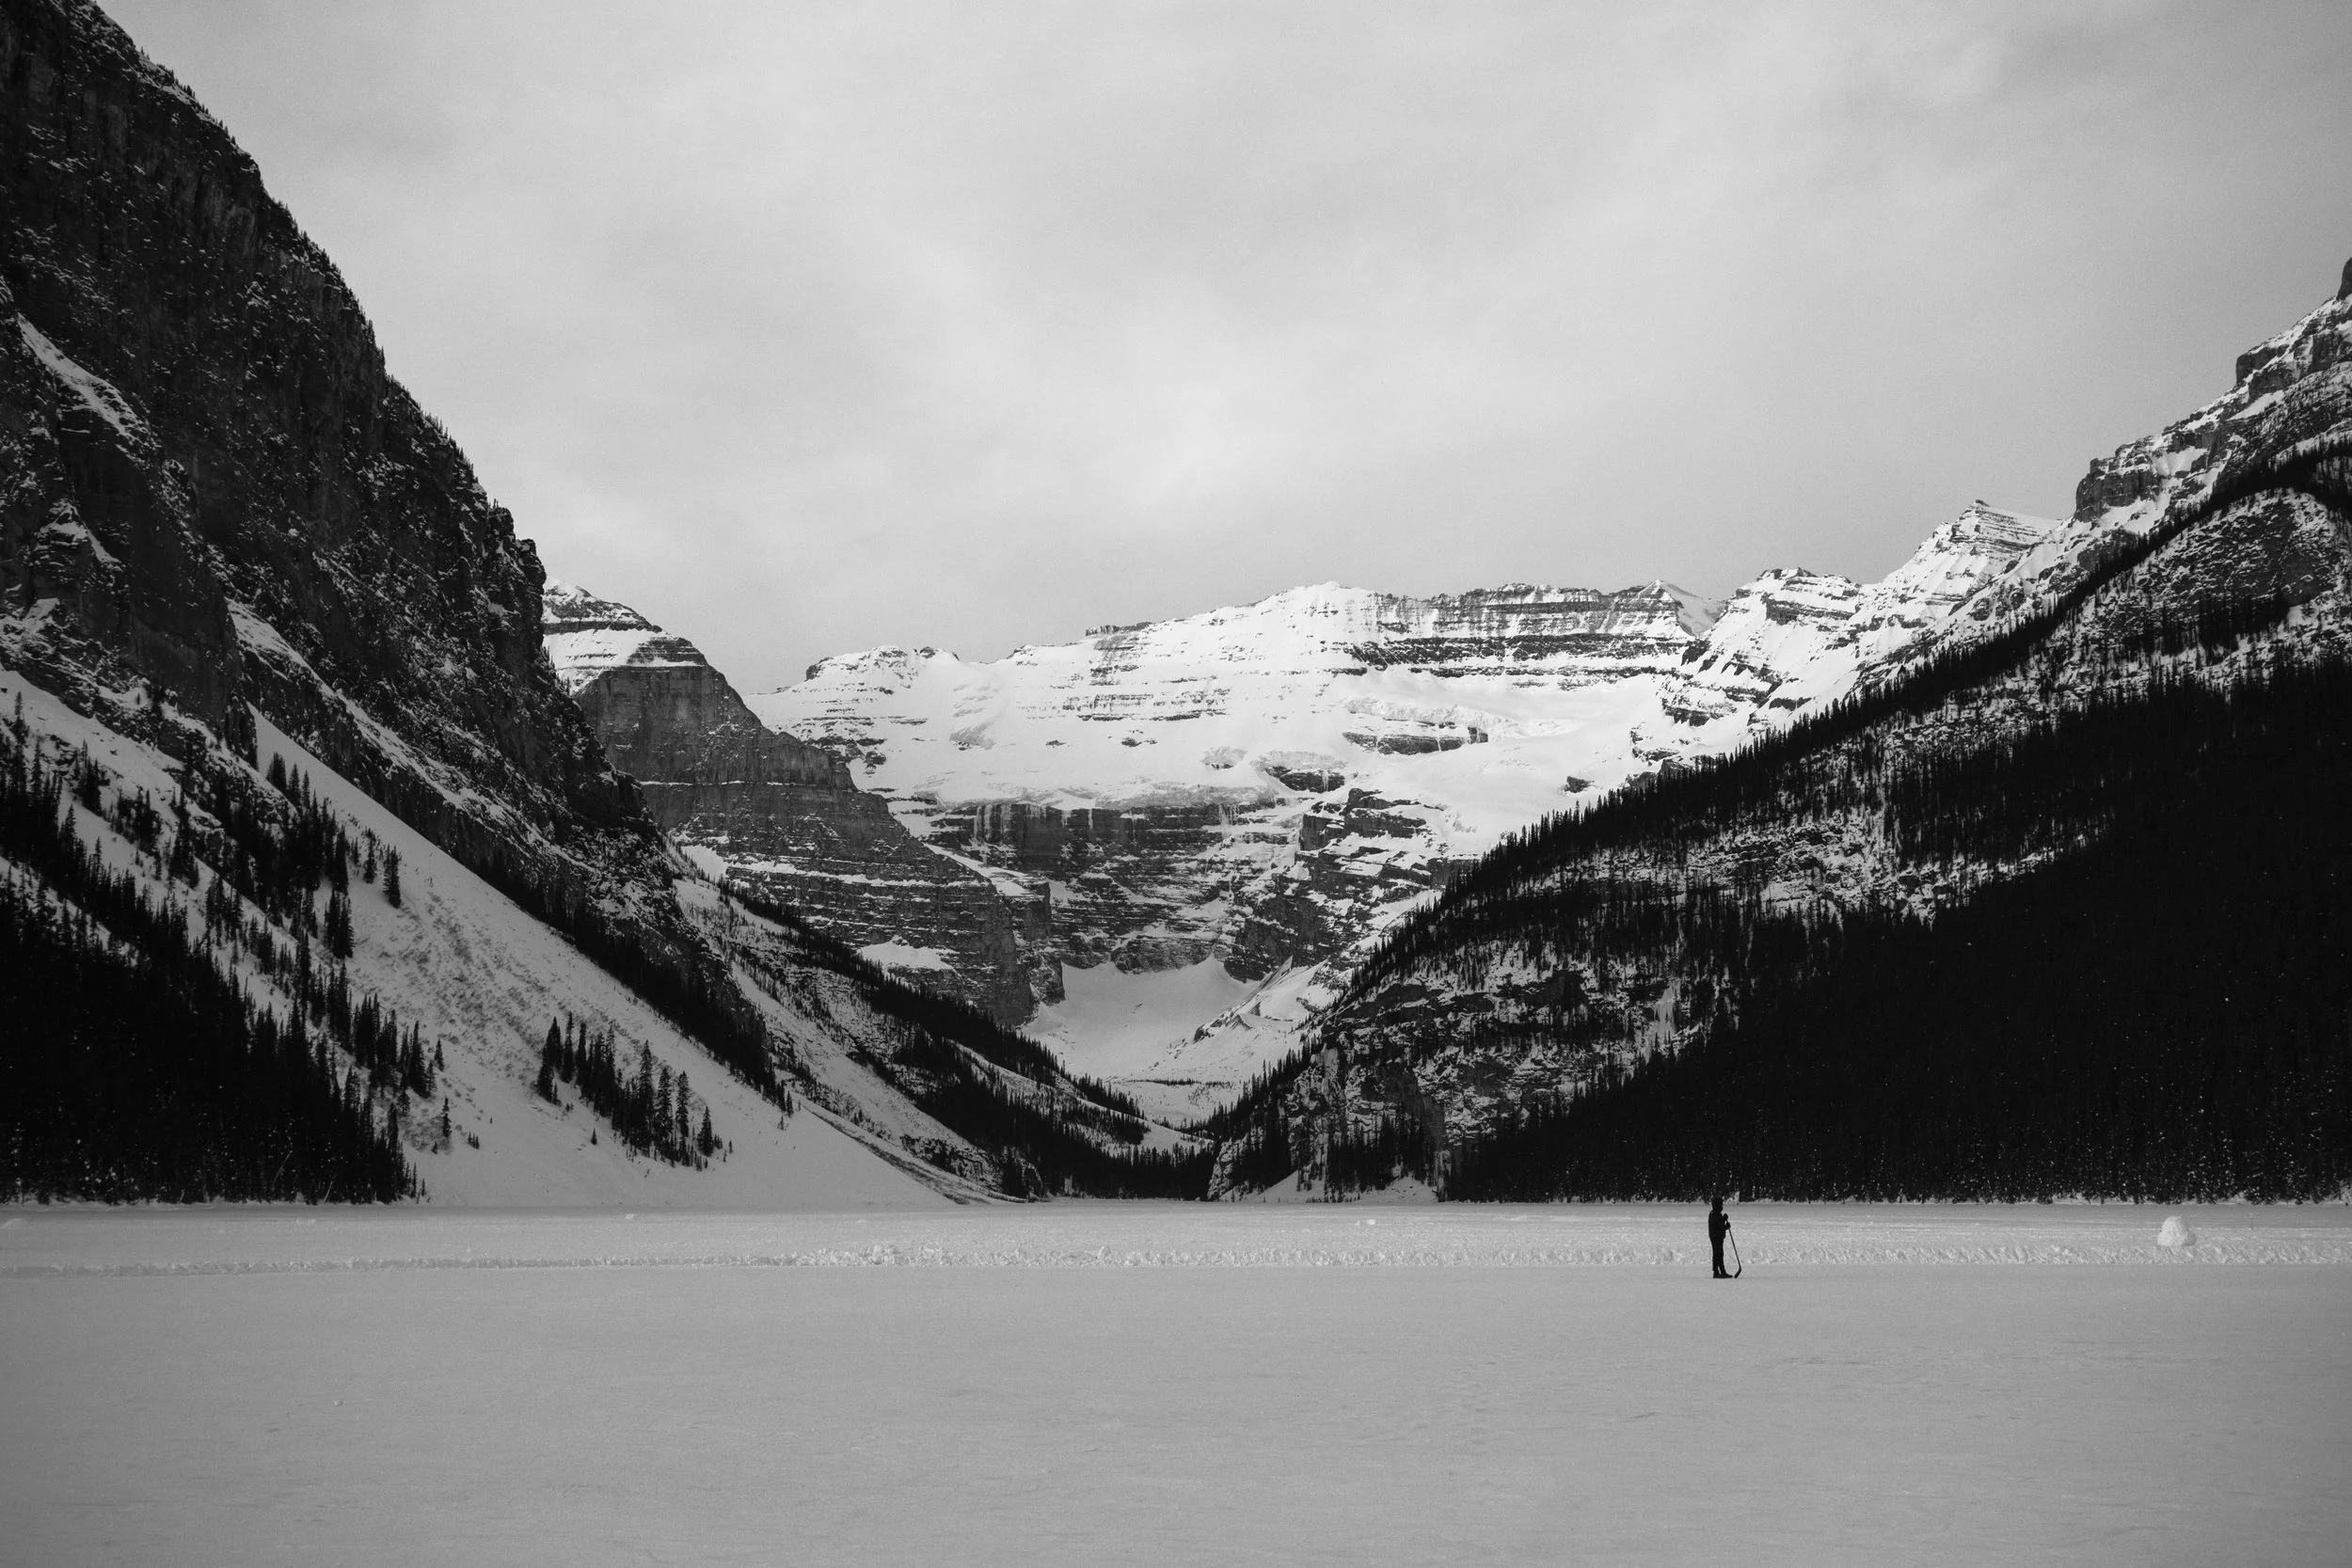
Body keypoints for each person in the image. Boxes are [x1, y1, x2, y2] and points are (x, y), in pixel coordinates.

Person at [1708, 1194, 1733, 1278]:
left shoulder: (1715, 1213)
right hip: (1716, 1237)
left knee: (1719, 1254)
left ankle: (1722, 1271)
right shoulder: (1715, 1214)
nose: (1722, 1206)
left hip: (1717, 1236)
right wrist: (1726, 1226)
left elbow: (1719, 1224)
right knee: (1717, 1254)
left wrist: (1724, 1219)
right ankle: (1716, 1272)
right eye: (1721, 1204)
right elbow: (1720, 1227)